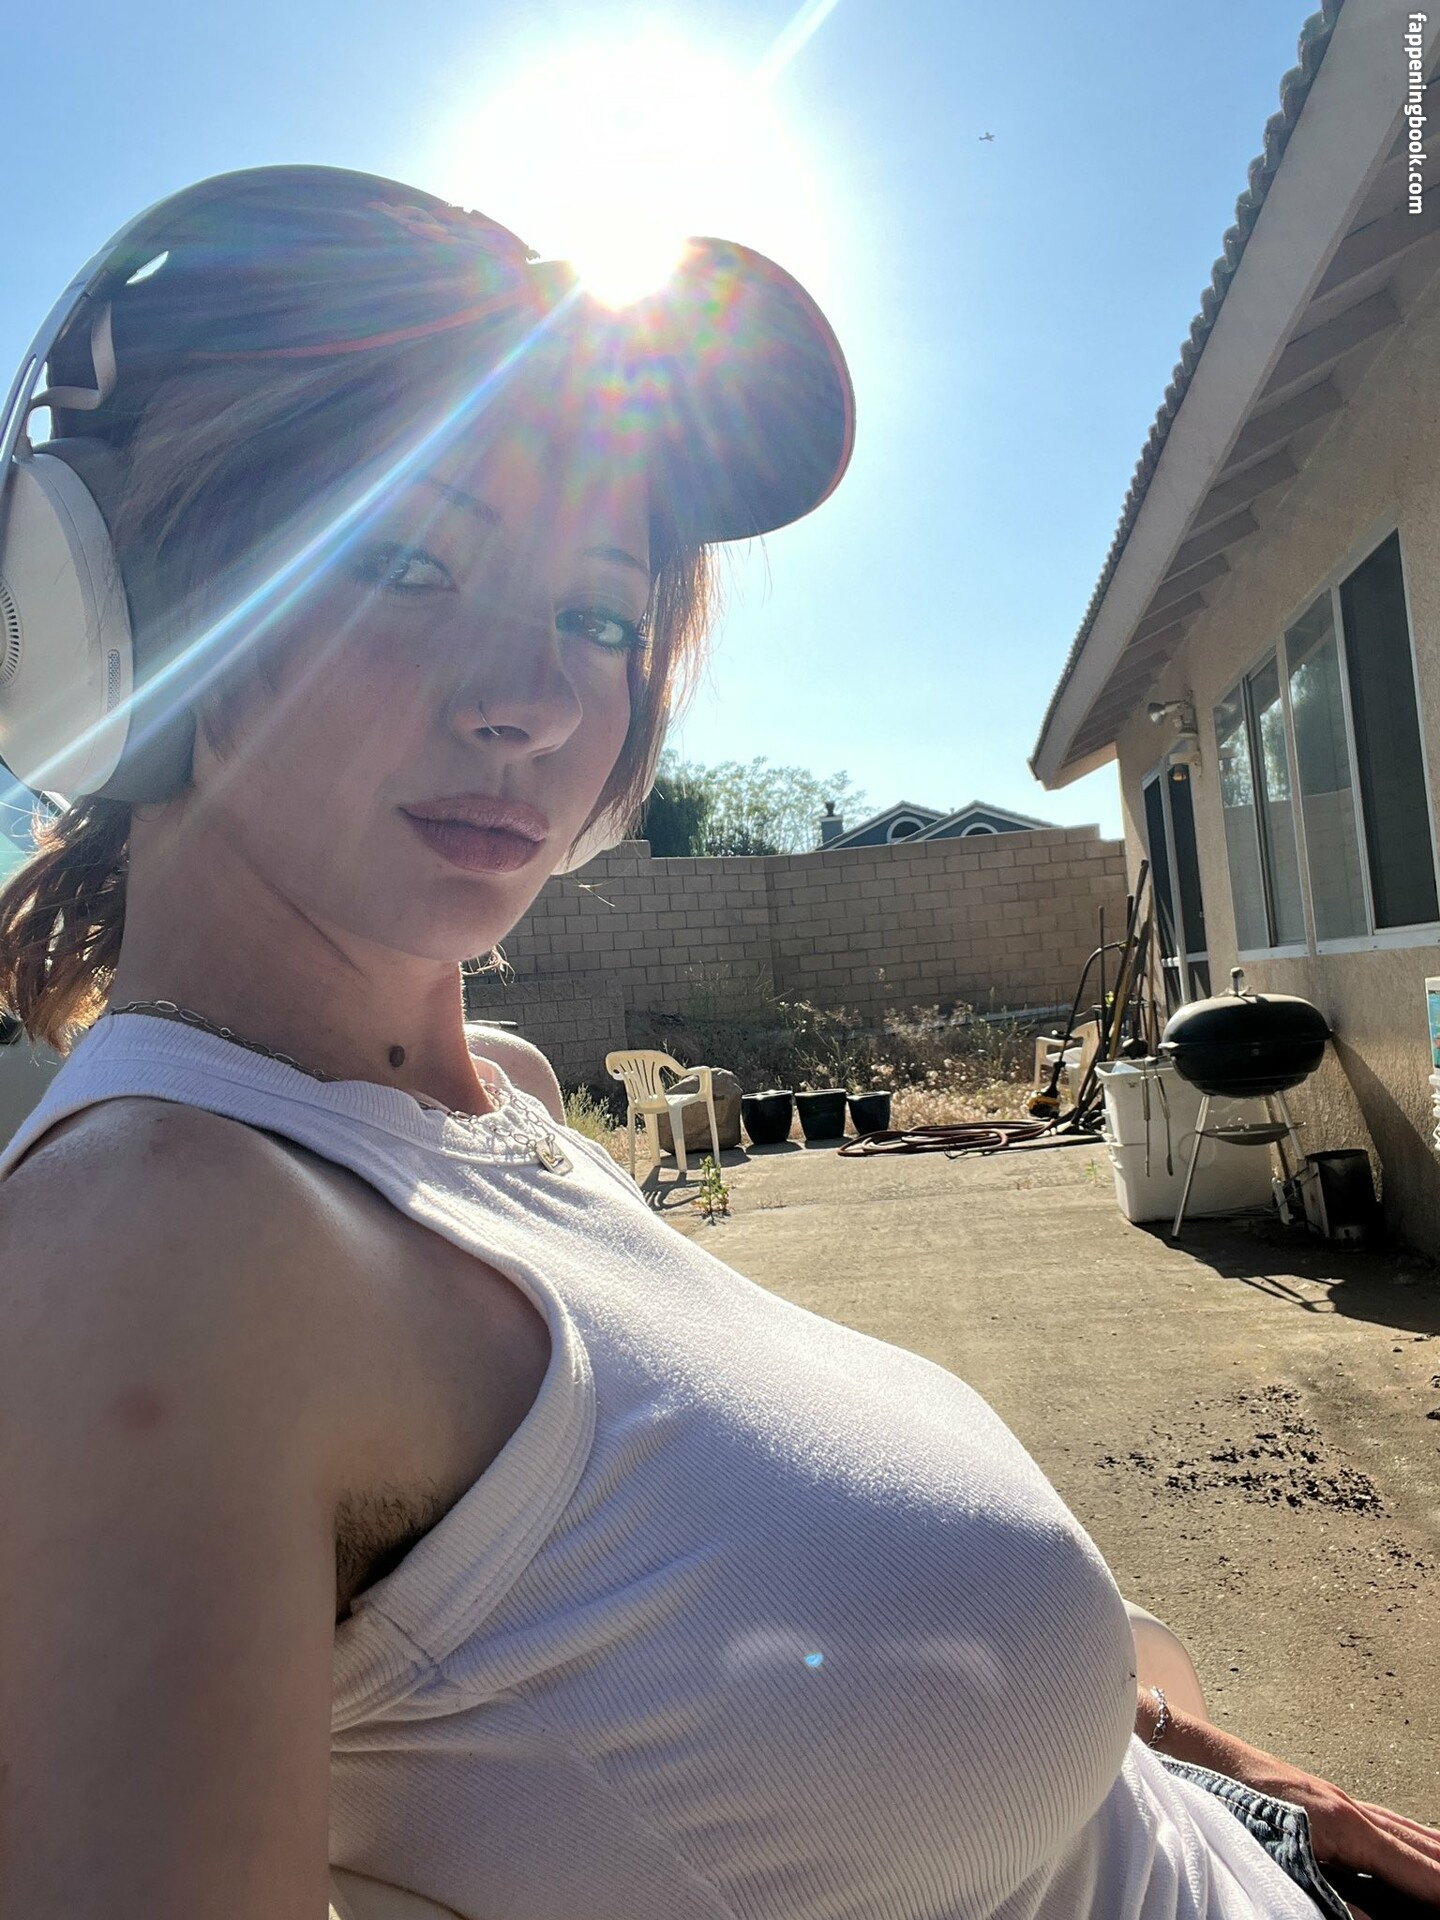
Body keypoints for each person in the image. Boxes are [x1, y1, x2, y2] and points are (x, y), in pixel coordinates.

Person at [0, 166, 1435, 1920]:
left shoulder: (500, 1106)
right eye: (401, 564)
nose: (532, 700)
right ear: (117, 619)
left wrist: (1227, 1780)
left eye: (600, 614)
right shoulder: (148, 1252)